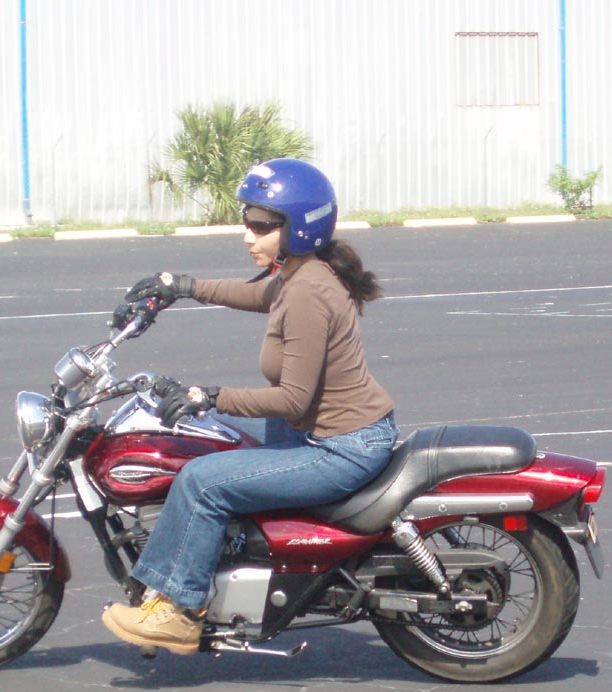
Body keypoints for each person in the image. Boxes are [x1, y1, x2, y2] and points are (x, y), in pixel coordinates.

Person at [101, 157, 398, 655]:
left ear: (298, 227)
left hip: (342, 447)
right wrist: (181, 286)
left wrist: (207, 396)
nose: (247, 235)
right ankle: (223, 561)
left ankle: (179, 610)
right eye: (247, 222)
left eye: (261, 226)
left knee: (201, 481)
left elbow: (291, 398)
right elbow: (258, 294)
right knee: (212, 441)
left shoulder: (308, 291)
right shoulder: (300, 274)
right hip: (322, 430)